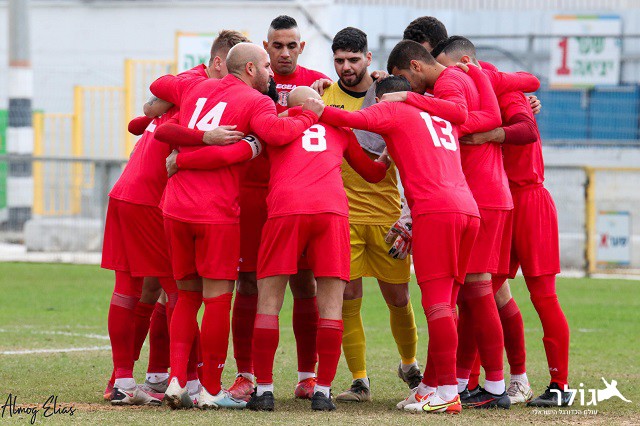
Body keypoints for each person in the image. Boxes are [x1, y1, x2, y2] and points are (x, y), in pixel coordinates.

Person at [151, 42, 323, 410]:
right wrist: (309, 115)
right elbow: (278, 134)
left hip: (175, 206)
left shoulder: (196, 86)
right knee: (217, 300)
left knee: (186, 296)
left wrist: (188, 152)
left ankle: (178, 381)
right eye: (266, 66)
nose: (271, 73)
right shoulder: (256, 101)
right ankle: (211, 390)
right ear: (249, 69)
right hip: (215, 211)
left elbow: (159, 99)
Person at [315, 73, 483, 414]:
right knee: (447, 306)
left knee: (436, 306)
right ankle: (430, 386)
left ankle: (448, 392)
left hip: (435, 212)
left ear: (382, 99)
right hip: (467, 210)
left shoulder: (392, 109)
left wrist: (312, 107)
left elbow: (349, 118)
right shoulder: (438, 116)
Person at [246, 86, 389, 412]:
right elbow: (372, 174)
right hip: (331, 210)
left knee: (268, 302)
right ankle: (322, 391)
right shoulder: (339, 127)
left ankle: (264, 390)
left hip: (286, 208)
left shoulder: (278, 123)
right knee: (331, 305)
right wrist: (386, 157)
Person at [312, 27, 422, 403]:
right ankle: (359, 380)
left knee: (399, 297)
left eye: (353, 59)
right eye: (339, 60)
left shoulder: (388, 93)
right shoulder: (324, 96)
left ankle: (409, 365)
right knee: (348, 296)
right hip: (343, 216)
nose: (346, 67)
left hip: (386, 214)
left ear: (368, 58)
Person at [227, 15, 332, 402]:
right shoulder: (250, 83)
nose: (284, 53)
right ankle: (245, 375)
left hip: (299, 197)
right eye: (277, 46)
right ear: (265, 48)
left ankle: (307, 376)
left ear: (301, 47)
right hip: (254, 194)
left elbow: (354, 101)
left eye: (291, 46)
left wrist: (375, 82)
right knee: (248, 282)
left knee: (305, 283)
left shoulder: (320, 83)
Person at [459, 61, 571, 407]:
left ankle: (559, 386)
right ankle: (474, 382)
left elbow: (527, 128)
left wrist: (490, 134)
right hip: (500, 203)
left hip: (529, 201)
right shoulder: (474, 95)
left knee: (543, 296)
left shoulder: (504, 91)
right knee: (479, 296)